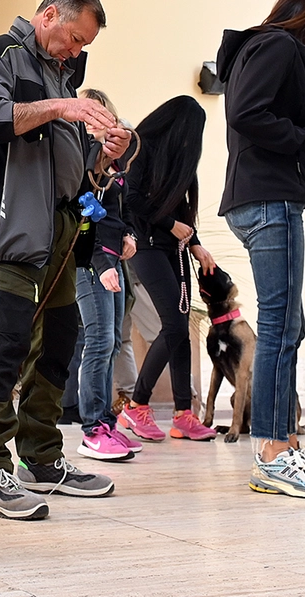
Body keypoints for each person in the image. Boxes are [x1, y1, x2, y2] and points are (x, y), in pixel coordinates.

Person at [0, 0, 132, 521]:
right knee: (6, 343)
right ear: (49, 15)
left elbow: (76, 171)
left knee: (57, 344)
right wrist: (63, 107)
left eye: (84, 48)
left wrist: (105, 157)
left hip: (62, 230)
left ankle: (42, 460)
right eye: (74, 39)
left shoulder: (63, 77)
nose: (77, 53)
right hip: (9, 228)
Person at [216, 0, 305, 500]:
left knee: (286, 325)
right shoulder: (279, 47)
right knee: (280, 327)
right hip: (269, 203)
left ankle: (286, 444)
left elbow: (261, 133)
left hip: (265, 195)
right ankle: (274, 453)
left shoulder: (259, 48)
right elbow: (249, 116)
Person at [119, 95, 221, 444]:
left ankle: (183, 415)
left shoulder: (180, 163)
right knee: (173, 325)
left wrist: (195, 243)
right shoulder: (139, 147)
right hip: (144, 245)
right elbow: (130, 200)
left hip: (173, 247)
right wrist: (170, 223)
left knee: (181, 329)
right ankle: (137, 407)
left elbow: (185, 212)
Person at [70, 88, 141, 460]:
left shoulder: (115, 167)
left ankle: (107, 423)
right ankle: (93, 429)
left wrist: (129, 234)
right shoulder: (81, 162)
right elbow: (83, 219)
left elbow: (121, 211)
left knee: (112, 341)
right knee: (98, 341)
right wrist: (100, 265)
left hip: (114, 259)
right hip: (91, 260)